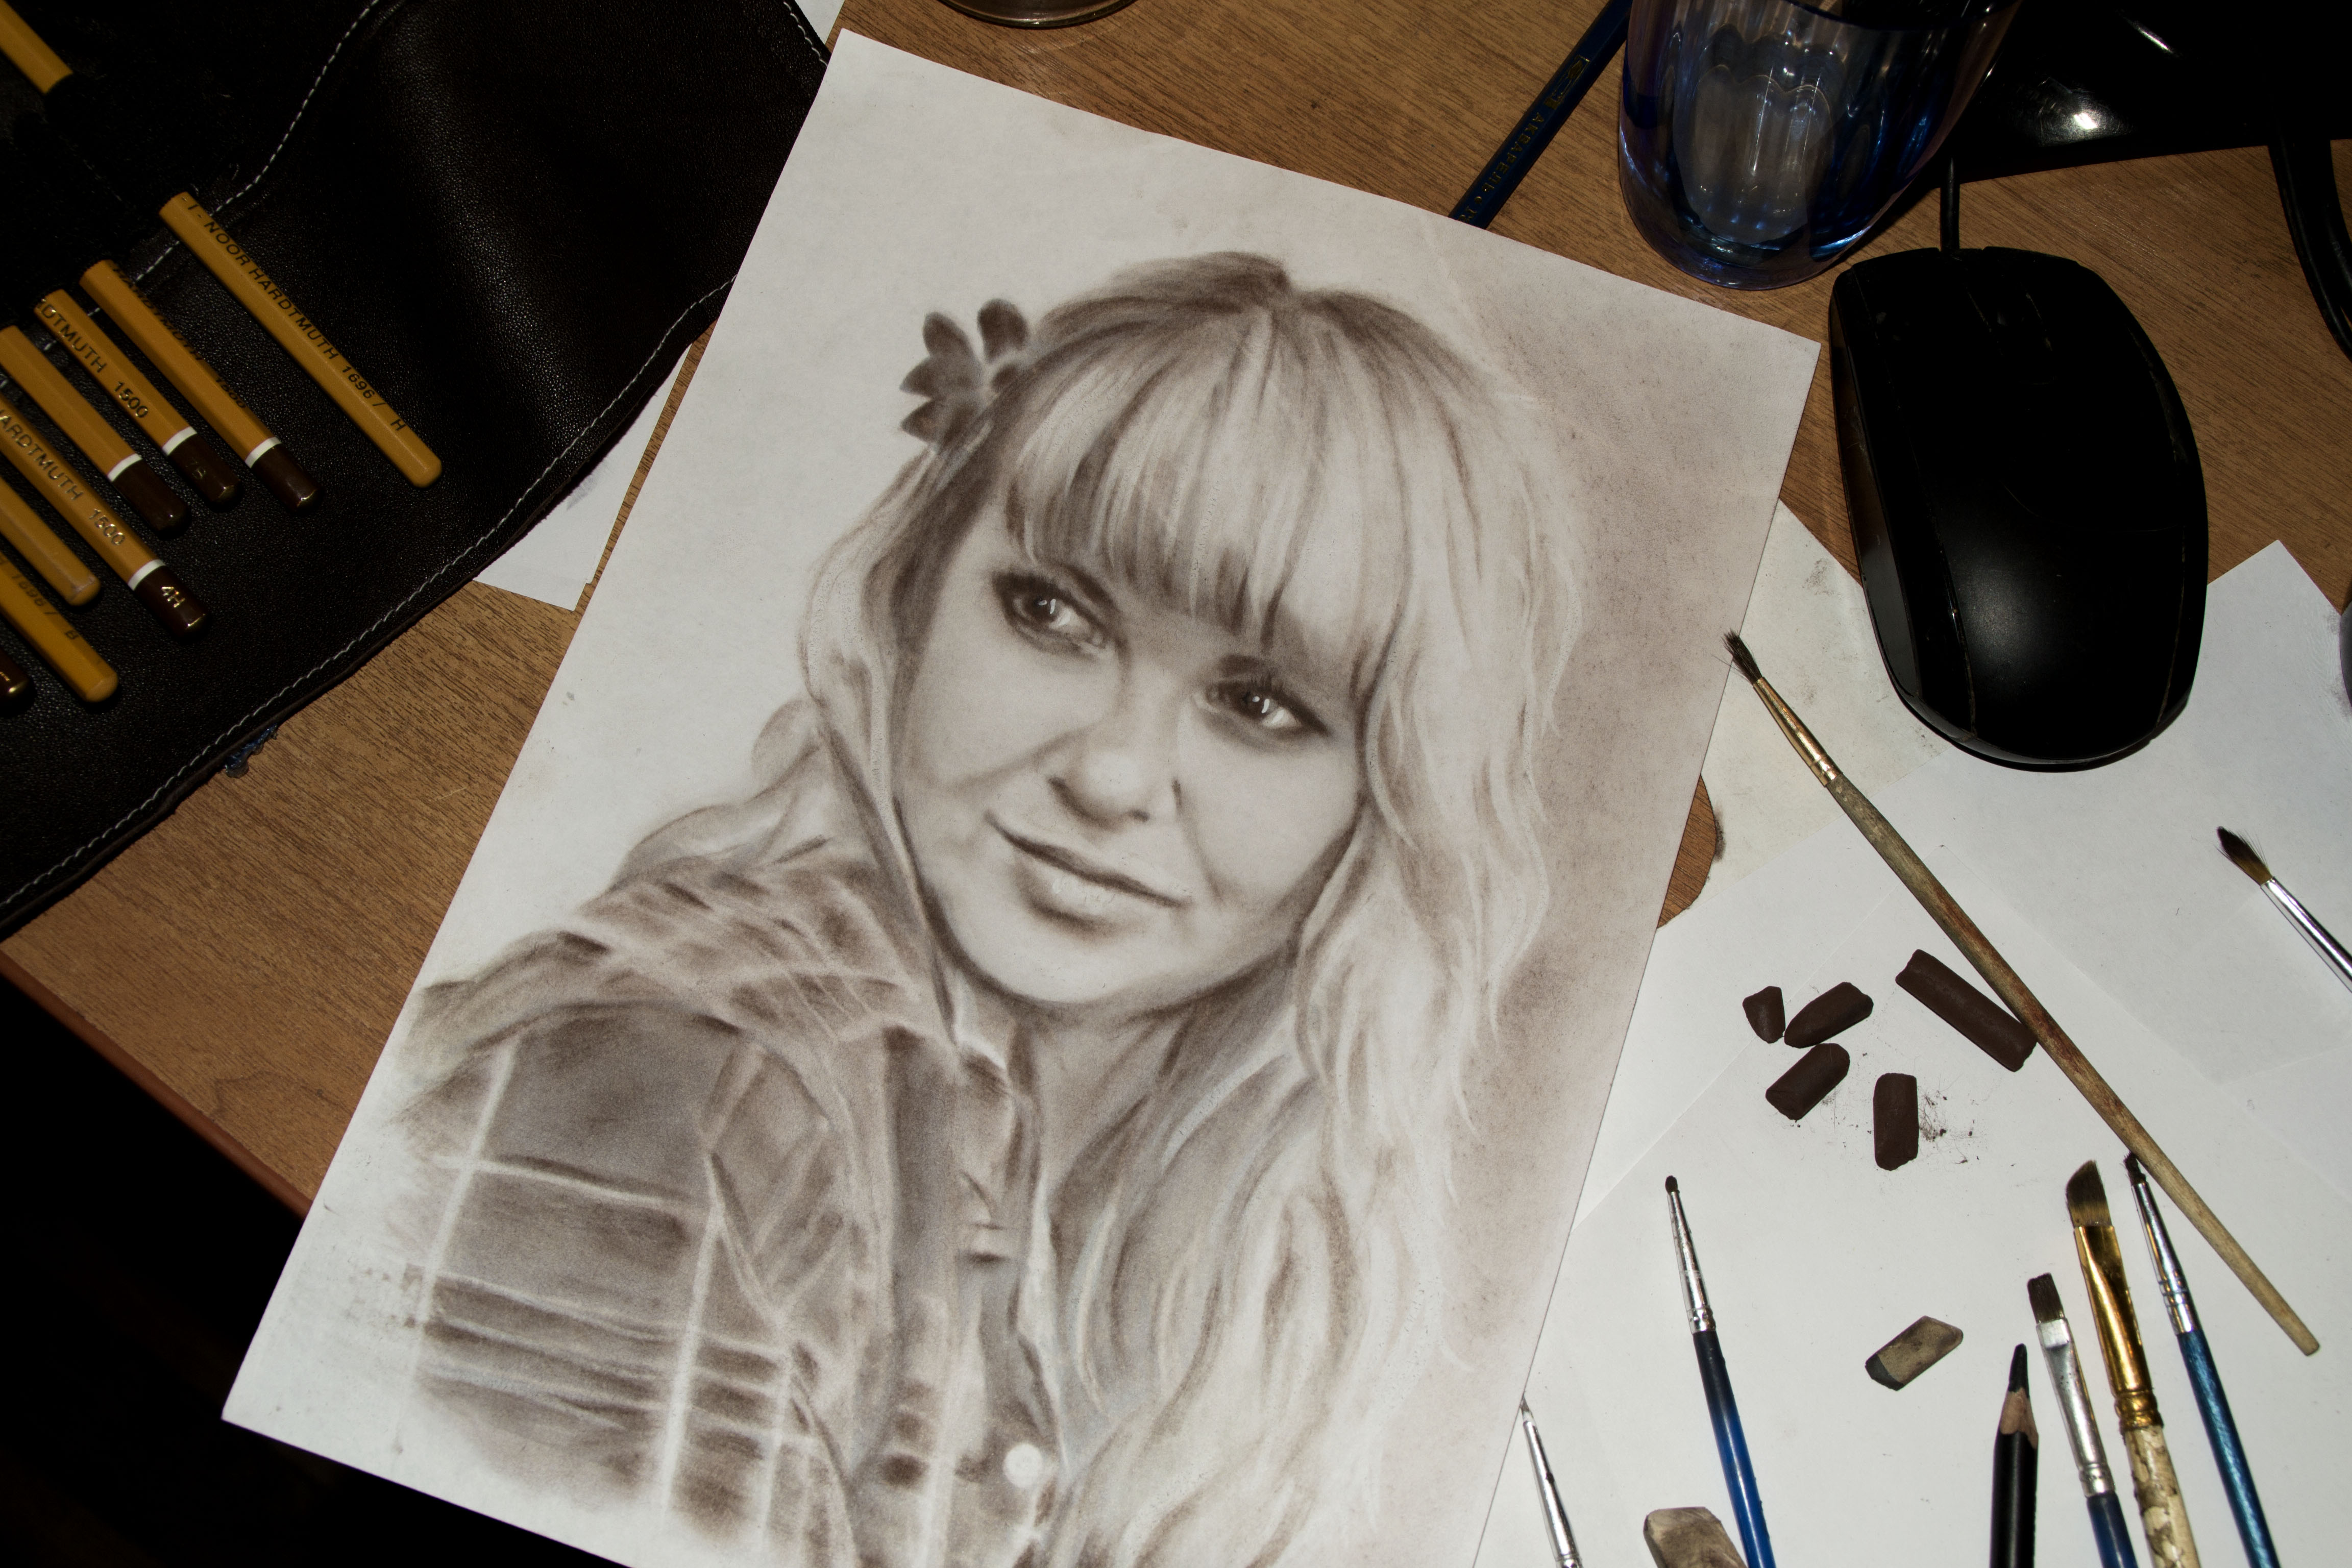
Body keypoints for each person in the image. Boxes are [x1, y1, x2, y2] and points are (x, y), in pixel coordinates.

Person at [392, 253, 1581, 1567]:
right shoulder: (685, 1084)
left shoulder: (1209, 1217)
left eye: (1260, 704)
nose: (1111, 774)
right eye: (1052, 612)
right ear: (914, 595)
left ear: (1388, 805)